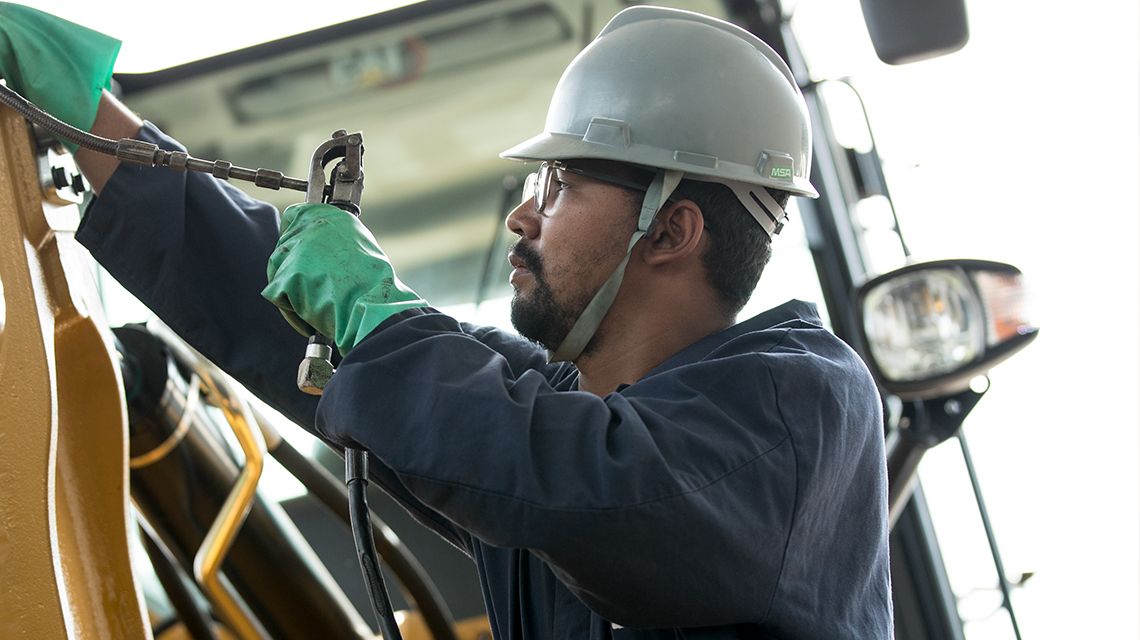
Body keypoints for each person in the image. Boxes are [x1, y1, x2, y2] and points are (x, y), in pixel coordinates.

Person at [1, 3, 893, 638]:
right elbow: (292, 327)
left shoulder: (801, 405)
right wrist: (90, 113)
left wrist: (377, 320)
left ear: (671, 229)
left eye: (560, 184)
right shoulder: (547, 417)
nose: (524, 215)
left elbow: (579, 474)